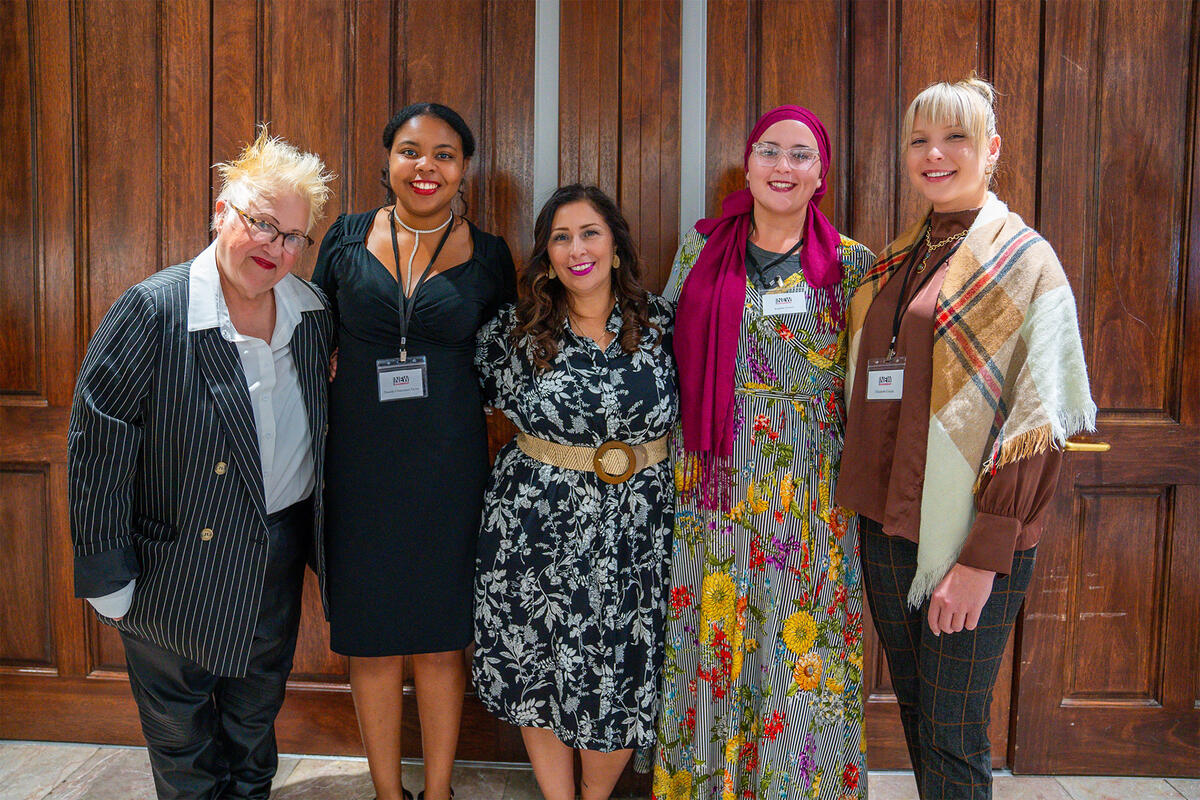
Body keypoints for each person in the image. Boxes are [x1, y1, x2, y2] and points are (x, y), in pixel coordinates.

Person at [836, 77, 1095, 799]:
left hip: (975, 535)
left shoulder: (1027, 264)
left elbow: (1039, 422)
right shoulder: (895, 259)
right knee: (919, 712)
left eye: (954, 138)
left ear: (992, 150)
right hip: (887, 524)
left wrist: (983, 558)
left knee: (954, 727)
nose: (934, 154)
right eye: (920, 139)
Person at [68, 128, 335, 799]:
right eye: (262, 225)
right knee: (183, 742)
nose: (276, 248)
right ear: (221, 213)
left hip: (273, 550)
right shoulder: (151, 310)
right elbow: (98, 446)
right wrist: (107, 572)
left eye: (294, 236)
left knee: (253, 723)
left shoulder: (312, 314)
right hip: (174, 565)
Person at [653, 106, 875, 800]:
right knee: (710, 641)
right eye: (770, 151)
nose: (784, 166)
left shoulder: (850, 263)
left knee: (798, 647)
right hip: (711, 487)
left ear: (820, 174)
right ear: (746, 165)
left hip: (808, 494)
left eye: (801, 155)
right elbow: (661, 358)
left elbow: (868, 385)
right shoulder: (698, 251)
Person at [312, 102, 515, 800]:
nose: (425, 166)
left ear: (465, 167)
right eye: (410, 150)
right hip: (360, 463)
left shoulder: (491, 255)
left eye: (444, 153)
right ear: (387, 160)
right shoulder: (341, 240)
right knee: (371, 637)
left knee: (438, 635)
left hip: (450, 464)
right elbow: (313, 336)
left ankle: (438, 791)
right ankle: (386, 792)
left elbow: (511, 355)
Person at [472, 184, 676, 800]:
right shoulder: (516, 329)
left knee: (619, 675)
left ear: (615, 246)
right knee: (538, 669)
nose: (576, 248)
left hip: (637, 533)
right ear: (546, 254)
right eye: (560, 237)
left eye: (590, 233)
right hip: (534, 526)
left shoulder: (662, 322)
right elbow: (455, 405)